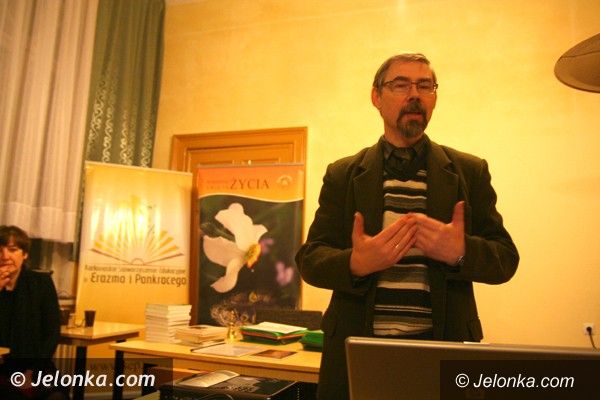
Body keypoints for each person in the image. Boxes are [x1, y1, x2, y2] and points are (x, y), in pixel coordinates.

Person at [295, 53, 519, 400]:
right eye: (401, 85)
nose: (415, 94)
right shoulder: (343, 174)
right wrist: (355, 263)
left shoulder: (469, 171)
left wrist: (460, 253)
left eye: (425, 86)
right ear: (376, 97)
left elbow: (505, 259)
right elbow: (310, 259)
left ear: (434, 98)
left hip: (443, 354)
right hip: (358, 354)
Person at [0, 225, 65, 400]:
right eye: (0, 250)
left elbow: (52, 333)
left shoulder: (41, 283)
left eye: (12, 250)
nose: (5, 256)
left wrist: (31, 372)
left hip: (35, 367)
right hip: (2, 368)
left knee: (56, 396)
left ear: (25, 254)